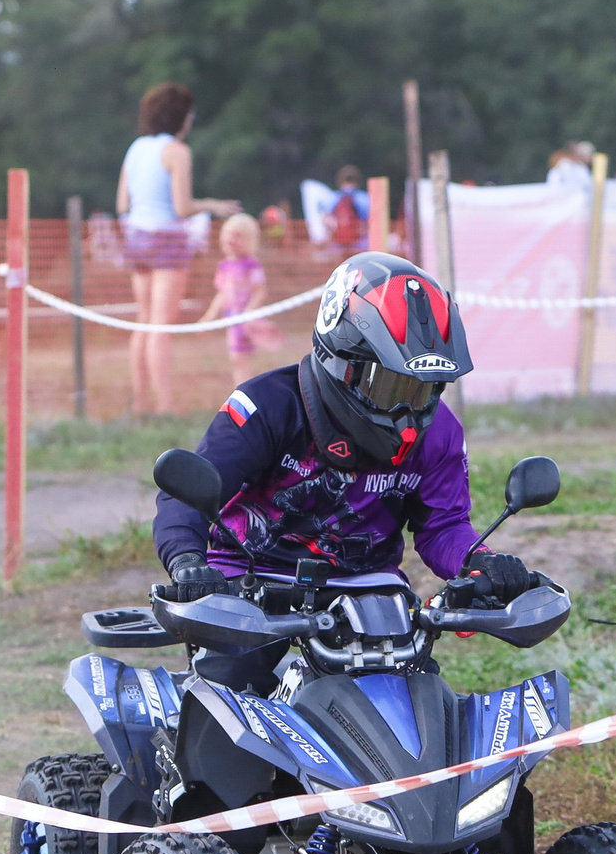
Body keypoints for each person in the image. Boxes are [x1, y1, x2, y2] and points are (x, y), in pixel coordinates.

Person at [153, 252, 531, 695]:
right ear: (339, 361)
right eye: (390, 385)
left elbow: (443, 526)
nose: (407, 413)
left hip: (367, 587)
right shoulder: (265, 405)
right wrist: (188, 562)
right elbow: (188, 492)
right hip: (249, 577)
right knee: (225, 694)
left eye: (423, 389)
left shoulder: (441, 432)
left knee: (412, 698)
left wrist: (481, 561)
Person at [119, 82, 239, 415]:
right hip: (167, 241)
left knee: (143, 321)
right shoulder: (177, 152)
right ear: (181, 117)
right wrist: (213, 205)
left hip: (136, 238)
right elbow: (182, 207)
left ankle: (141, 401)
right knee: (161, 325)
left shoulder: (136, 148)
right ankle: (165, 406)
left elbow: (123, 203)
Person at [201, 212, 280, 387]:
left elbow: (260, 291)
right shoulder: (224, 266)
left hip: (247, 320)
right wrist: (209, 316)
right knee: (237, 358)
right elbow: (222, 294)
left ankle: (249, 389)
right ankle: (243, 388)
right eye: (229, 234)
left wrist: (249, 312)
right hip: (233, 319)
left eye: (238, 236)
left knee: (244, 357)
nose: (232, 240)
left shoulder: (251, 265)